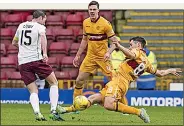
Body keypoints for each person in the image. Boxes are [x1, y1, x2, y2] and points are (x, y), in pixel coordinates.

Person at [57, 36, 182, 123]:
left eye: (131, 44)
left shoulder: (137, 52)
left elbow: (131, 54)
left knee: (108, 104)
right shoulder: (147, 63)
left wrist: (119, 46)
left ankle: (139, 112)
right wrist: (170, 70)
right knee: (93, 99)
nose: (130, 45)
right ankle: (64, 110)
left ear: (139, 45)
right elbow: (159, 73)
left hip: (119, 81)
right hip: (118, 82)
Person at [59, 1, 119, 112]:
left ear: (98, 10)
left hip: (103, 58)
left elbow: (116, 42)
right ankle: (75, 107)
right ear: (88, 10)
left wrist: (108, 52)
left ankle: (121, 105)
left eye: (94, 9)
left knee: (115, 81)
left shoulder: (105, 24)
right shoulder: (85, 22)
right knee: (79, 80)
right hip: (90, 57)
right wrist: (77, 56)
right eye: (90, 9)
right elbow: (84, 40)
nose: (92, 11)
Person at [12, 10, 64, 121]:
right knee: (53, 82)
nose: (45, 22)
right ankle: (54, 111)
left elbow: (14, 42)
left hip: (23, 62)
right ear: (41, 17)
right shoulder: (39, 27)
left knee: (33, 91)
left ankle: (38, 113)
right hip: (36, 60)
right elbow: (43, 38)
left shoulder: (21, 26)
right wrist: (45, 53)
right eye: (45, 19)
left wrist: (24, 50)